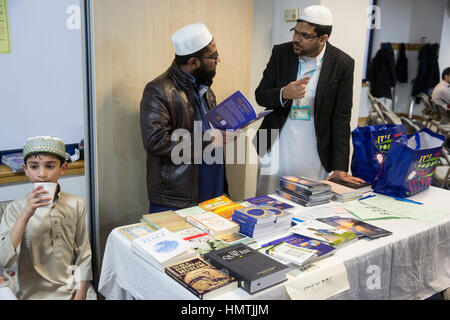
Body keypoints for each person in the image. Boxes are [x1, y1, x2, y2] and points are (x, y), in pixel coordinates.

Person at [254, 5, 365, 195]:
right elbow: (260, 94)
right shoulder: (281, 53)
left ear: (323, 39)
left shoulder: (342, 63)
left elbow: (341, 117)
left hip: (315, 150)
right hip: (276, 144)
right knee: (268, 202)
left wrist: (340, 167)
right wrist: (283, 93)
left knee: (307, 204)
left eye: (304, 36)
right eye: (295, 32)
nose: (296, 39)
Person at [140, 23, 230, 213]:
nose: (219, 59)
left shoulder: (204, 86)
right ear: (193, 62)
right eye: (213, 56)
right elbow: (155, 141)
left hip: (212, 187)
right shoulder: (158, 90)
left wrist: (225, 133)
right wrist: (208, 139)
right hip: (178, 197)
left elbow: (208, 130)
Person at [0, 136, 96, 300]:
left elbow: (84, 254)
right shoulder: (14, 209)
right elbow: (3, 259)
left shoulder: (76, 204)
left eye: (50, 166)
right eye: (34, 167)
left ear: (63, 168)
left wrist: (81, 292)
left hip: (72, 289)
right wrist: (26, 214)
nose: (42, 174)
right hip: (30, 293)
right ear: (26, 169)